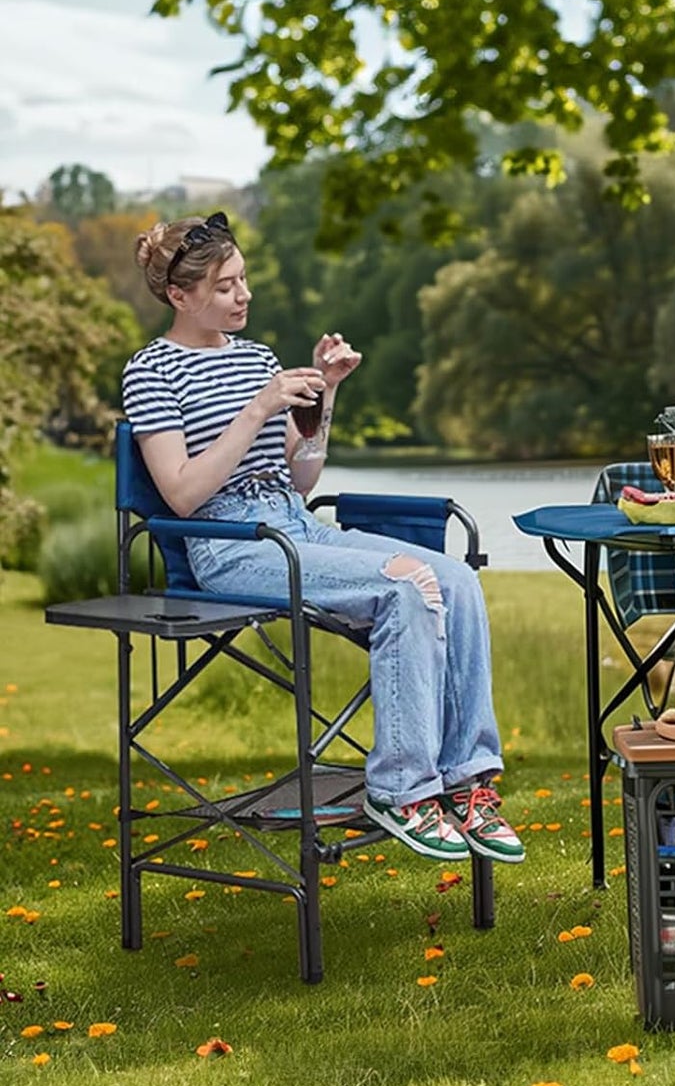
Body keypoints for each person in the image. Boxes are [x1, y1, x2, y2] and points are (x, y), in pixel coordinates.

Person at [123, 211, 523, 864]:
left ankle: (469, 782)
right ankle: (400, 790)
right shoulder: (151, 372)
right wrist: (258, 406)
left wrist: (325, 392)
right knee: (404, 586)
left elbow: (302, 476)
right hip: (231, 545)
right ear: (179, 295)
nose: (243, 294)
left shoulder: (256, 358)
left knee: (456, 579)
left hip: (293, 523)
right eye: (225, 286)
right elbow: (182, 492)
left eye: (244, 278)